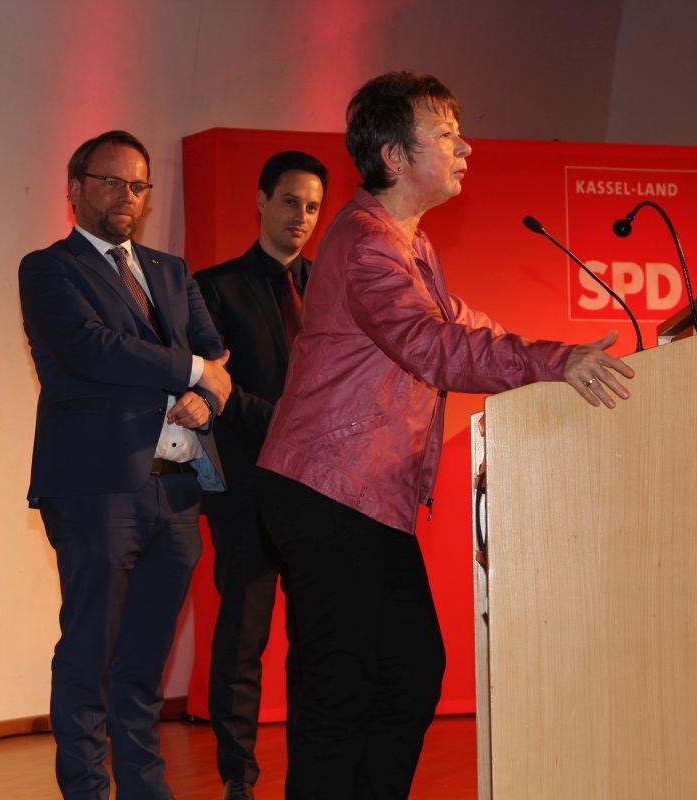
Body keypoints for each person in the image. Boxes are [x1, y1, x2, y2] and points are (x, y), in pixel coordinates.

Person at [255, 71, 634, 799]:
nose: (467, 148)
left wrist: (559, 355)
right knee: (343, 689)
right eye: (447, 135)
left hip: (364, 496)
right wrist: (553, 363)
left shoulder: (409, 243)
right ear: (395, 156)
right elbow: (432, 345)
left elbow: (464, 325)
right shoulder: (368, 244)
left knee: (408, 673)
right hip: (328, 487)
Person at [19, 130, 232, 800]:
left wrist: (205, 397)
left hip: (177, 489)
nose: (126, 196)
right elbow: (93, 349)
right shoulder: (48, 269)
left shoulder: (170, 269)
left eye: (138, 185)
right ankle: (86, 790)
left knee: (143, 666)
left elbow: (215, 356)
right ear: (74, 188)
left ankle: (145, 790)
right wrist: (195, 373)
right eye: (110, 181)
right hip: (97, 488)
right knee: (90, 654)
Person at [195, 151, 328, 800]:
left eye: (313, 206)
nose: (301, 216)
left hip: (322, 491)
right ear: (261, 200)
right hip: (247, 488)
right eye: (290, 201)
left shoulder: (334, 289)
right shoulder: (214, 288)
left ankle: (310, 772)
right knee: (243, 640)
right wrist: (287, 424)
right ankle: (237, 778)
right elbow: (213, 386)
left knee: (316, 642)